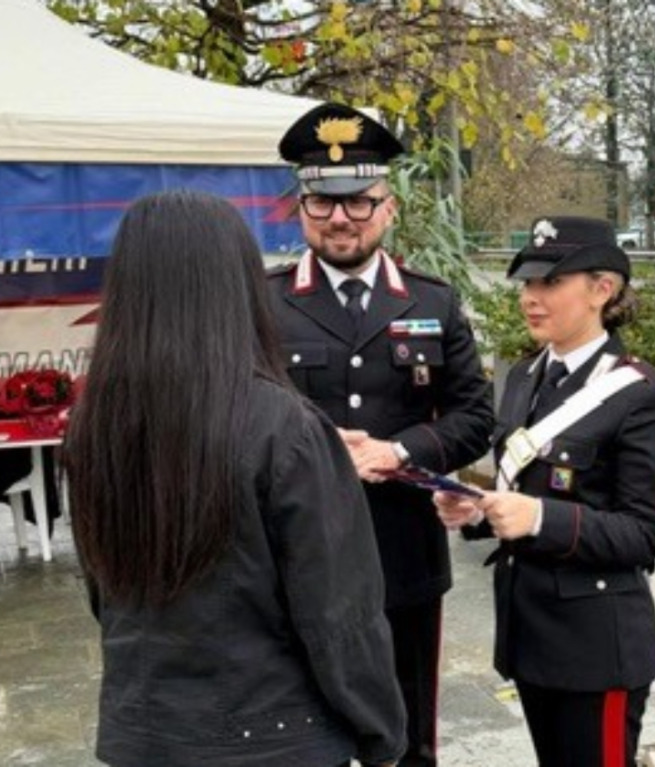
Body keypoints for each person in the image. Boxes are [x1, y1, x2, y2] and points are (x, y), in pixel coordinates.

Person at [64, 189, 405, 767]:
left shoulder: (94, 423)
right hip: (271, 734)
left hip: (144, 728)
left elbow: (104, 588)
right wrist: (383, 735)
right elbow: (338, 618)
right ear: (237, 285)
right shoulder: (284, 427)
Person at [266, 101, 494, 767]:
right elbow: (238, 415)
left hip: (404, 549)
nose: (340, 217)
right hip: (300, 553)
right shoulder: (262, 301)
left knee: (408, 732)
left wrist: (397, 451)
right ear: (300, 208)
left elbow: (475, 416)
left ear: (388, 206)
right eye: (321, 202)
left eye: (359, 201)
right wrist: (317, 450)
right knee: (308, 729)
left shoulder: (432, 301)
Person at [435, 215, 655, 767]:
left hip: (597, 648)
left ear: (602, 290)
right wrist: (474, 510)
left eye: (550, 283)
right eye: (527, 283)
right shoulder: (525, 376)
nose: (530, 297)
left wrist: (539, 518)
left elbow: (644, 533)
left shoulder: (640, 394)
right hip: (532, 638)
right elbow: (523, 486)